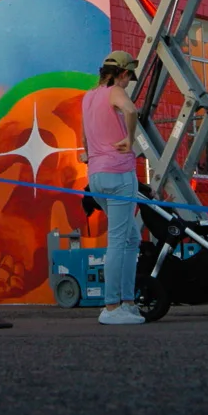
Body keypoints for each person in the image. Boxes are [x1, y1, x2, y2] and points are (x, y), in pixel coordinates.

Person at [81, 49, 146, 326]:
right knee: (119, 240)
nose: (129, 80)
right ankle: (111, 306)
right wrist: (130, 139)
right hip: (119, 173)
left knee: (131, 238)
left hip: (96, 175)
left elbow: (84, 134)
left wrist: (90, 155)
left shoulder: (88, 96)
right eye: (129, 75)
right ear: (121, 74)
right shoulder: (114, 92)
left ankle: (128, 302)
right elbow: (130, 110)